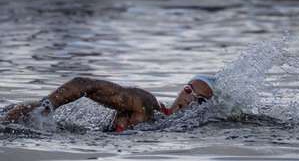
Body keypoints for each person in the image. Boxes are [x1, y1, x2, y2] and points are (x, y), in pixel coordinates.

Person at [1, 75, 216, 132]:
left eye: (200, 101)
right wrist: (45, 108)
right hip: (23, 124)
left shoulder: (174, 127)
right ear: (181, 89)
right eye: (189, 90)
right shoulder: (145, 104)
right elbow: (84, 84)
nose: (190, 101)